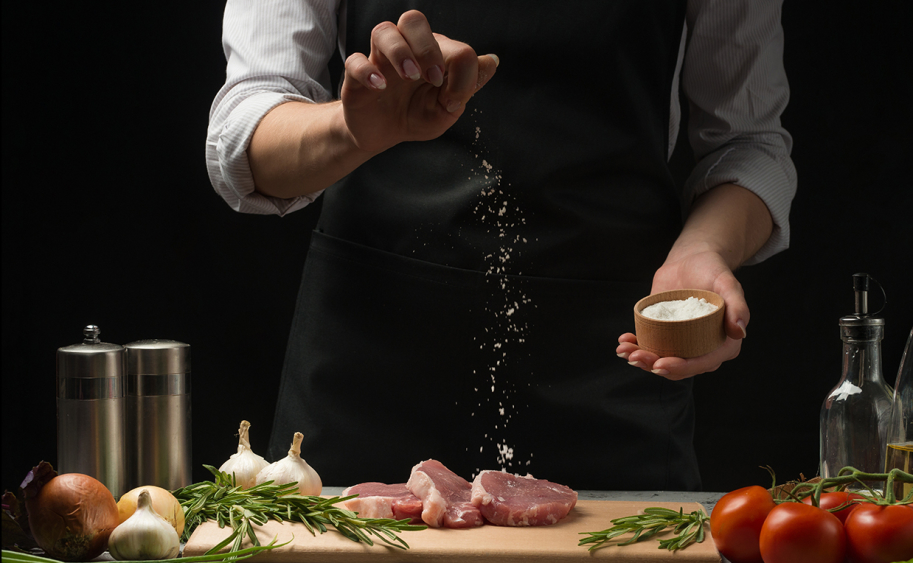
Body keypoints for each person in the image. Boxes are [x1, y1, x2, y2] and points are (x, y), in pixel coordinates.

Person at [206, 1, 796, 491]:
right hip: (370, 361)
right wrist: (351, 128)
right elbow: (244, 135)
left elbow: (748, 145)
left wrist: (705, 250)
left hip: (607, 357)